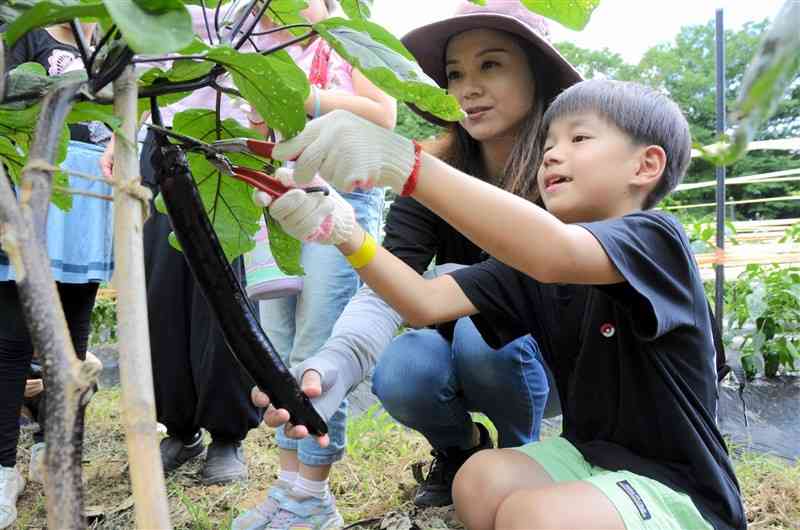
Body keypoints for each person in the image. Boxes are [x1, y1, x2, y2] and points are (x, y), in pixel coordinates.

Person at [255, 78, 748, 529]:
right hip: (590, 456)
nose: (552, 156)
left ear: (646, 166)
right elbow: (423, 301)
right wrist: (346, 233)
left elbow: (555, 251)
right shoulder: (532, 265)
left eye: (579, 139)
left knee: (533, 516)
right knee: (479, 479)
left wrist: (405, 164)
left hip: (680, 492)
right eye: (548, 144)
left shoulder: (654, 240)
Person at [238, 3, 580, 525]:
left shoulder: (564, 171)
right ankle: (463, 447)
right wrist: (330, 367)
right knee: (402, 368)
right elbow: (385, 291)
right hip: (465, 343)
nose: (468, 88)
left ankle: (523, 453)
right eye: (455, 74)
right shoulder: (436, 170)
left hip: (553, 358)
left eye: (491, 65)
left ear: (536, 71)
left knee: (481, 331)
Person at [231, 1, 395, 528]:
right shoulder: (263, 49)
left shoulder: (347, 39)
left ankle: (313, 497)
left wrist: (307, 97)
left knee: (318, 353)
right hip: (279, 209)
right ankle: (289, 490)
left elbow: (385, 113)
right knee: (278, 353)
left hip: (339, 205)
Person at [0, 22, 114, 529]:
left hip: (91, 191)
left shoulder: (111, 38)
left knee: (71, 342)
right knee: (12, 340)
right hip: (37, 180)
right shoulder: (27, 30)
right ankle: (2, 472)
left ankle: (57, 463)